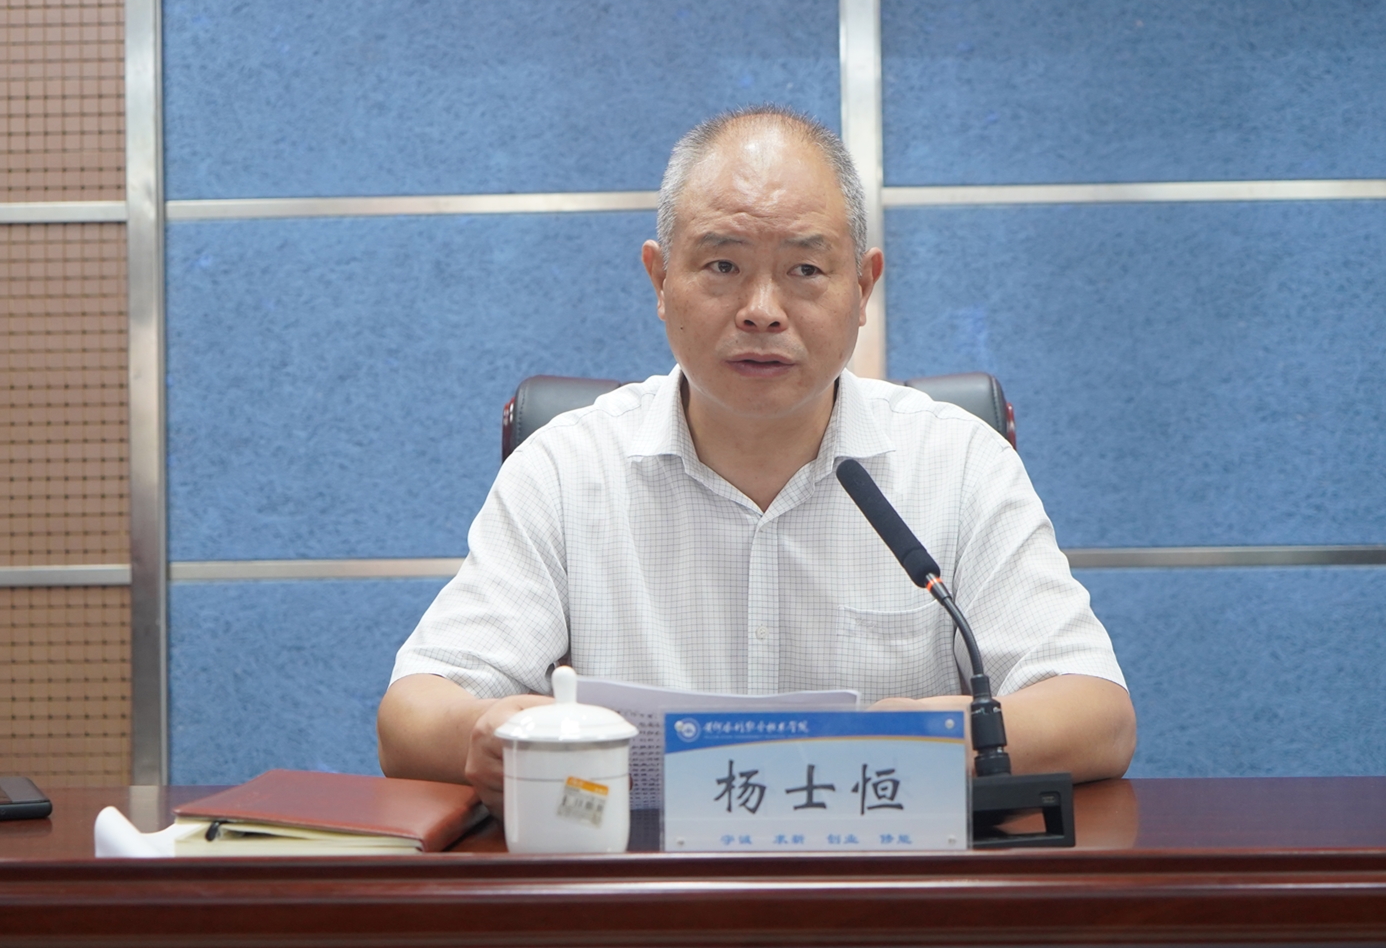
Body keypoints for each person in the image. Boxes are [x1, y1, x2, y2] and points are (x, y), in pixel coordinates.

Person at [378, 107, 1135, 813]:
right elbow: (411, 716)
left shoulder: (957, 462)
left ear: (862, 286)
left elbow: (1097, 715)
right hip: (642, 889)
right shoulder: (565, 468)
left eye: (805, 270)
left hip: (882, 886)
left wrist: (931, 740)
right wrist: (483, 735)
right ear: (660, 280)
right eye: (721, 266)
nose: (762, 310)